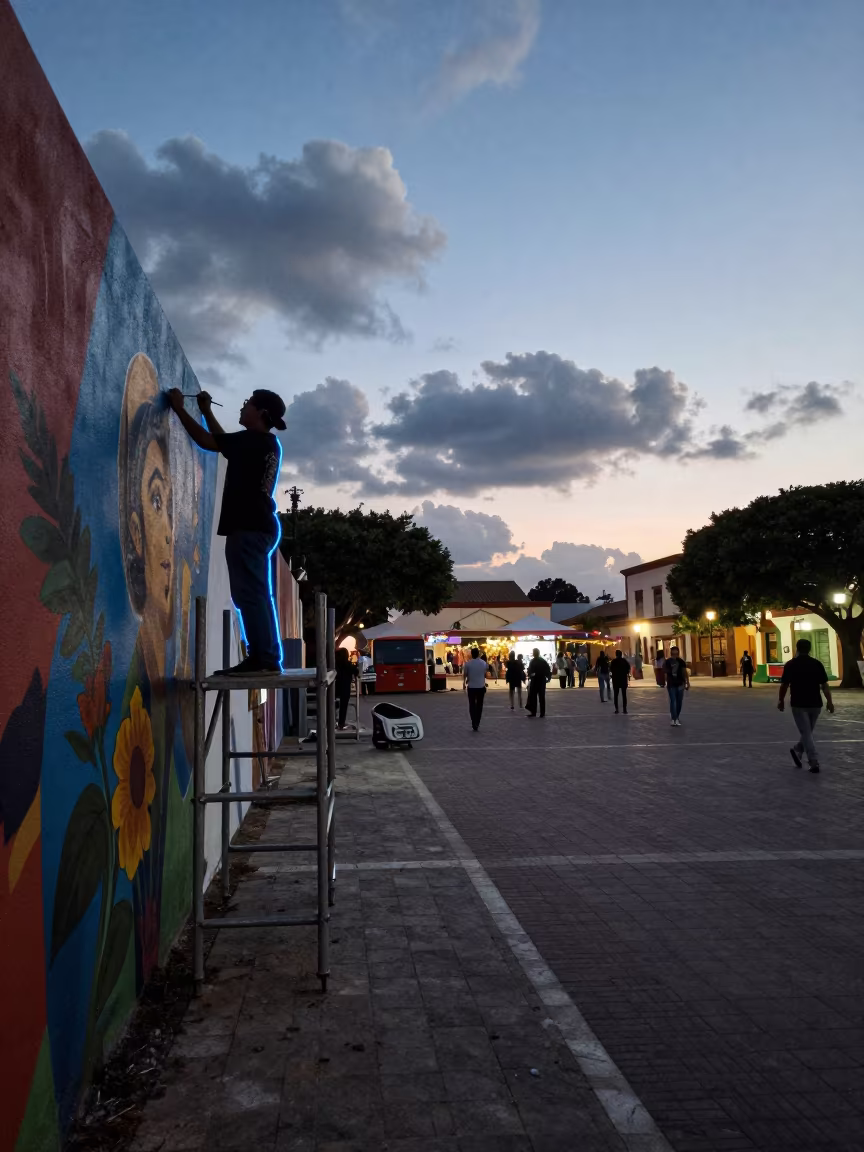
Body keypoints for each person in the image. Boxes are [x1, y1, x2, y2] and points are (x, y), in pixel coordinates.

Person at [168, 386, 286, 675]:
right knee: (254, 593)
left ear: (260, 413)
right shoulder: (262, 443)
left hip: (248, 527)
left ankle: (263, 659)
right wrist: (207, 411)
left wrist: (178, 407)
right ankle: (265, 657)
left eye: (248, 403)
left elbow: (208, 441)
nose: (243, 406)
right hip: (257, 527)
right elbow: (223, 444)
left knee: (250, 594)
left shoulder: (255, 442)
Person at [778, 637, 834, 773]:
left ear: (797, 648)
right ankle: (804, 753)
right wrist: (830, 702)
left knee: (806, 732)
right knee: (807, 732)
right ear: (809, 649)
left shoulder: (791, 665)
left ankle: (811, 759)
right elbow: (824, 685)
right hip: (815, 703)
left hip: (799, 703)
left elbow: (784, 684)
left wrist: (781, 700)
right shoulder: (817, 664)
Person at [463, 647, 490, 730]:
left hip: (471, 687)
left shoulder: (468, 664)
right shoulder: (484, 663)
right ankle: (477, 722)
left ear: (471, 654)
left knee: (472, 705)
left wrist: (464, 683)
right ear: (478, 654)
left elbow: (465, 675)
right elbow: (485, 674)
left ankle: (473, 721)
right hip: (481, 687)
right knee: (479, 705)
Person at [664, 645, 690, 726]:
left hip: (680, 683)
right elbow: (665, 673)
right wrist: (666, 682)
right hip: (671, 684)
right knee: (673, 701)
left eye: (676, 653)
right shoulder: (667, 662)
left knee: (679, 702)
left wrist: (687, 682)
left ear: (678, 653)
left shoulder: (681, 662)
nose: (675, 655)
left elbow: (684, 672)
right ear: (671, 653)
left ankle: (677, 717)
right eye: (673, 654)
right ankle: (673, 719)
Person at [335, 646, 358, 729]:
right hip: (345, 690)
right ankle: (341, 723)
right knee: (343, 706)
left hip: (334, 690)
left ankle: (332, 721)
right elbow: (356, 672)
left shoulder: (334, 664)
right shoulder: (348, 665)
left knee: (332, 704)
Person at [525, 648, 551, 717]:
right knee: (541, 697)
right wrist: (548, 677)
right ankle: (542, 713)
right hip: (541, 680)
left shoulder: (533, 661)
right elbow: (547, 669)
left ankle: (533, 712)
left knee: (534, 697)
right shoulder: (542, 661)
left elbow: (530, 671)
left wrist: (530, 675)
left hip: (535, 680)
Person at [609, 649, 631, 714]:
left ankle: (617, 709)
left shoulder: (613, 661)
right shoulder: (624, 661)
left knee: (616, 695)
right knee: (624, 695)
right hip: (623, 679)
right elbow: (628, 669)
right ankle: (624, 709)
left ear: (616, 654)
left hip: (616, 680)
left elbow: (611, 669)